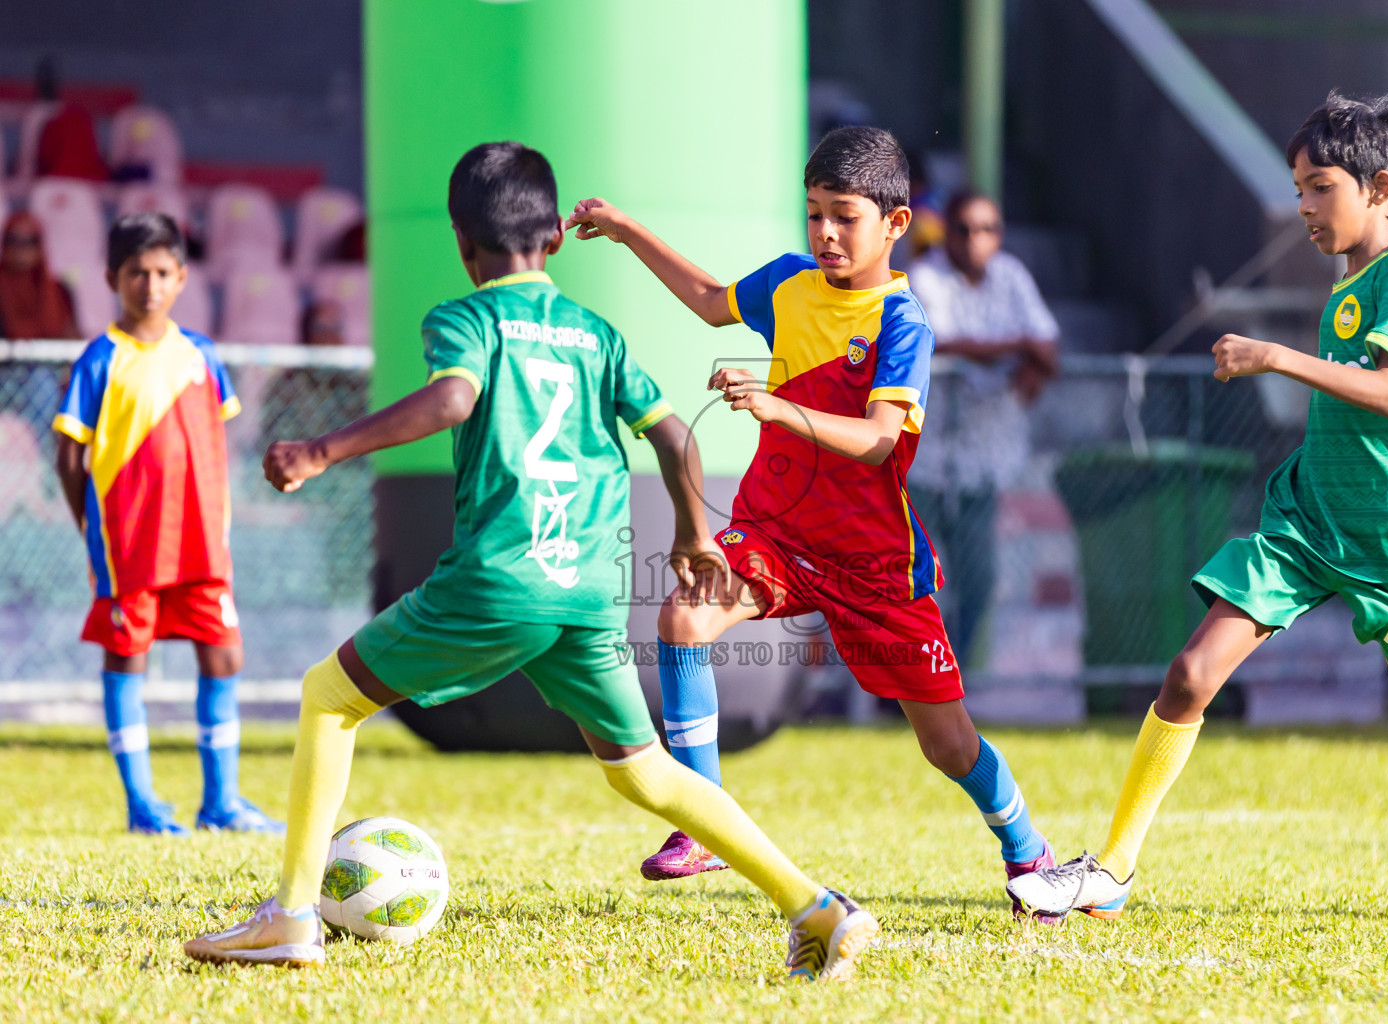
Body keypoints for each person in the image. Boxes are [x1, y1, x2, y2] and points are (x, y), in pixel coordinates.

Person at [184, 142, 877, 980]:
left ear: (461, 240)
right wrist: (694, 536)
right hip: (586, 592)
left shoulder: (465, 319)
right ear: (552, 238)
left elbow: (453, 397)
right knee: (646, 773)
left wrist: (324, 450)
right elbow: (675, 433)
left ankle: (291, 917)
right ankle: (816, 907)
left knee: (327, 697)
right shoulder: (596, 334)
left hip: (498, 580)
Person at [1012, 92, 1388, 924]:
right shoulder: (1356, 276)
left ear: (1380, 186)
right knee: (1189, 674)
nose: (1303, 207)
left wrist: (1276, 357)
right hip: (1308, 520)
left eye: (1318, 187)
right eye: (1297, 188)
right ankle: (1111, 870)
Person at [567, 125, 1059, 919]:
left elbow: (876, 441)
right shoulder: (788, 284)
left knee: (948, 745)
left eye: (844, 216)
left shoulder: (903, 324)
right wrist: (626, 231)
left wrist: (777, 406)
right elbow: (704, 299)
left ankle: (1027, 850)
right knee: (684, 615)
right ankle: (702, 824)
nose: (825, 233)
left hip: (873, 562)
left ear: (895, 225)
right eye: (813, 214)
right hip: (779, 533)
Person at [53, 213, 281, 835]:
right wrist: (91, 530)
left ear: (181, 277)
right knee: (128, 659)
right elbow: (70, 455)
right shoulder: (100, 359)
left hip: (203, 545)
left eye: (160, 272)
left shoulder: (202, 355)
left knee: (224, 657)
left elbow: (214, 442)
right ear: (111, 278)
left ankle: (222, 802)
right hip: (130, 549)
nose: (149, 285)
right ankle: (141, 803)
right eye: (135, 273)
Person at [905, 190, 1060, 669]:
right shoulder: (923, 275)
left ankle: (949, 681)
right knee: (915, 582)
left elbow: (1049, 348)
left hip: (983, 461)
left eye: (988, 229)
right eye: (965, 229)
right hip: (923, 459)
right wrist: (1018, 346)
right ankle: (904, 683)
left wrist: (1030, 360)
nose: (976, 240)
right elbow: (942, 343)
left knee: (978, 580)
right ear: (946, 233)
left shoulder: (1010, 274)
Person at [0, 211, 80, 339]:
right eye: (13, 240)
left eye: (30, 241)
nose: (21, 248)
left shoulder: (60, 292)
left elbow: (71, 340)